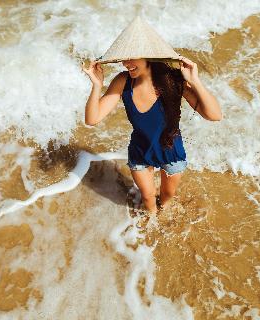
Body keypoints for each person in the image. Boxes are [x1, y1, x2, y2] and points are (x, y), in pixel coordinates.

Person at [81, 17, 222, 213]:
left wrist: (195, 81)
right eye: (123, 58)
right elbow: (92, 119)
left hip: (171, 151)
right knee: (147, 197)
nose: (125, 63)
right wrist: (96, 86)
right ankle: (152, 222)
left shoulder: (173, 81)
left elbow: (215, 115)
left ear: (148, 56)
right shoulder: (123, 81)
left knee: (167, 196)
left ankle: (162, 213)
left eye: (130, 57)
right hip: (140, 151)